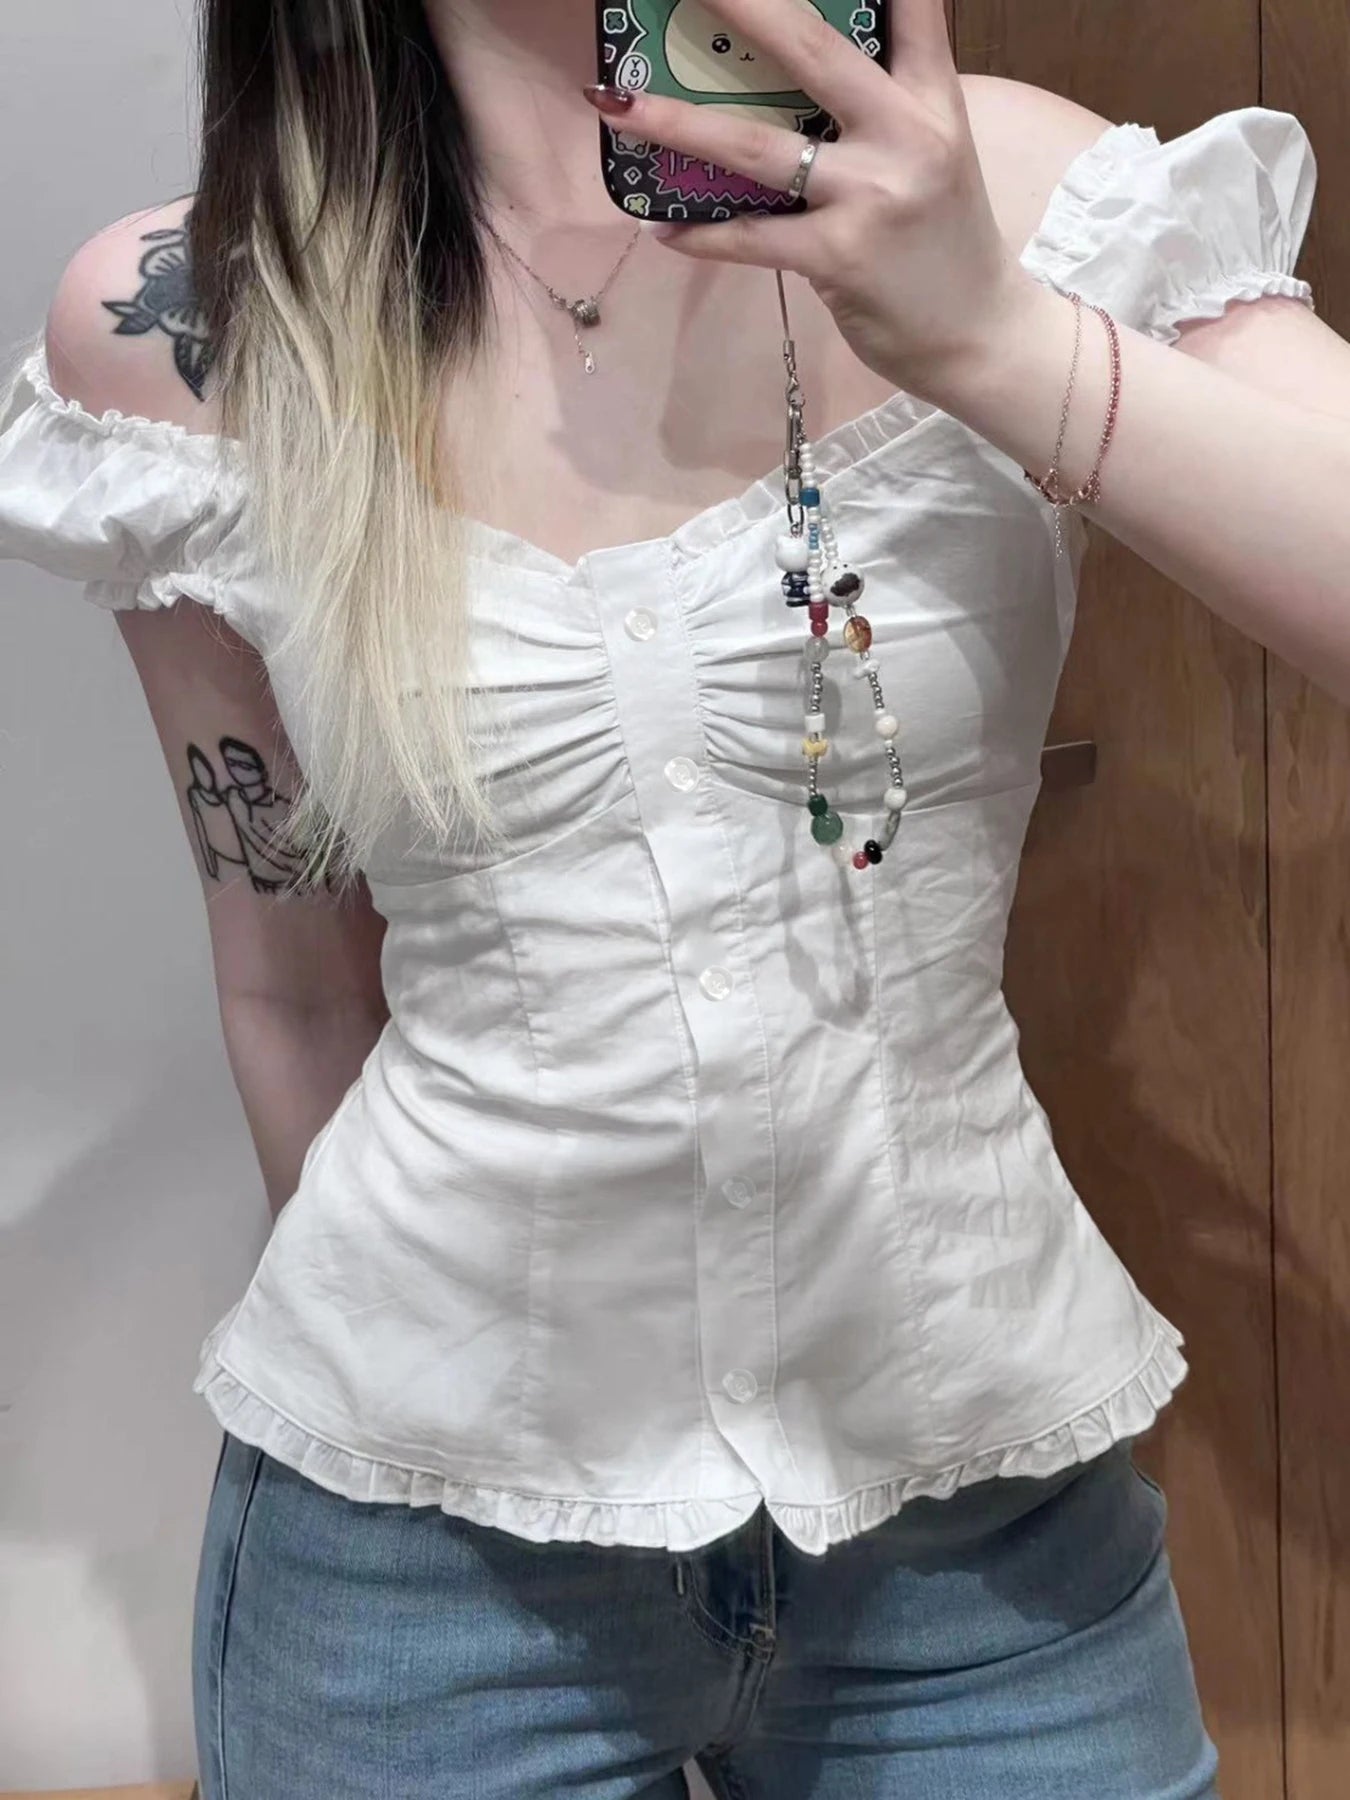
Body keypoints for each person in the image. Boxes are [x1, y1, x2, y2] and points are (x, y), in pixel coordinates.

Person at [3, 1, 1349, 1794]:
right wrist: (459, 1401)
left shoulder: (1013, 189)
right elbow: (295, 980)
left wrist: (994, 339)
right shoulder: (192, 319)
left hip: (976, 1521)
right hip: (425, 1567)